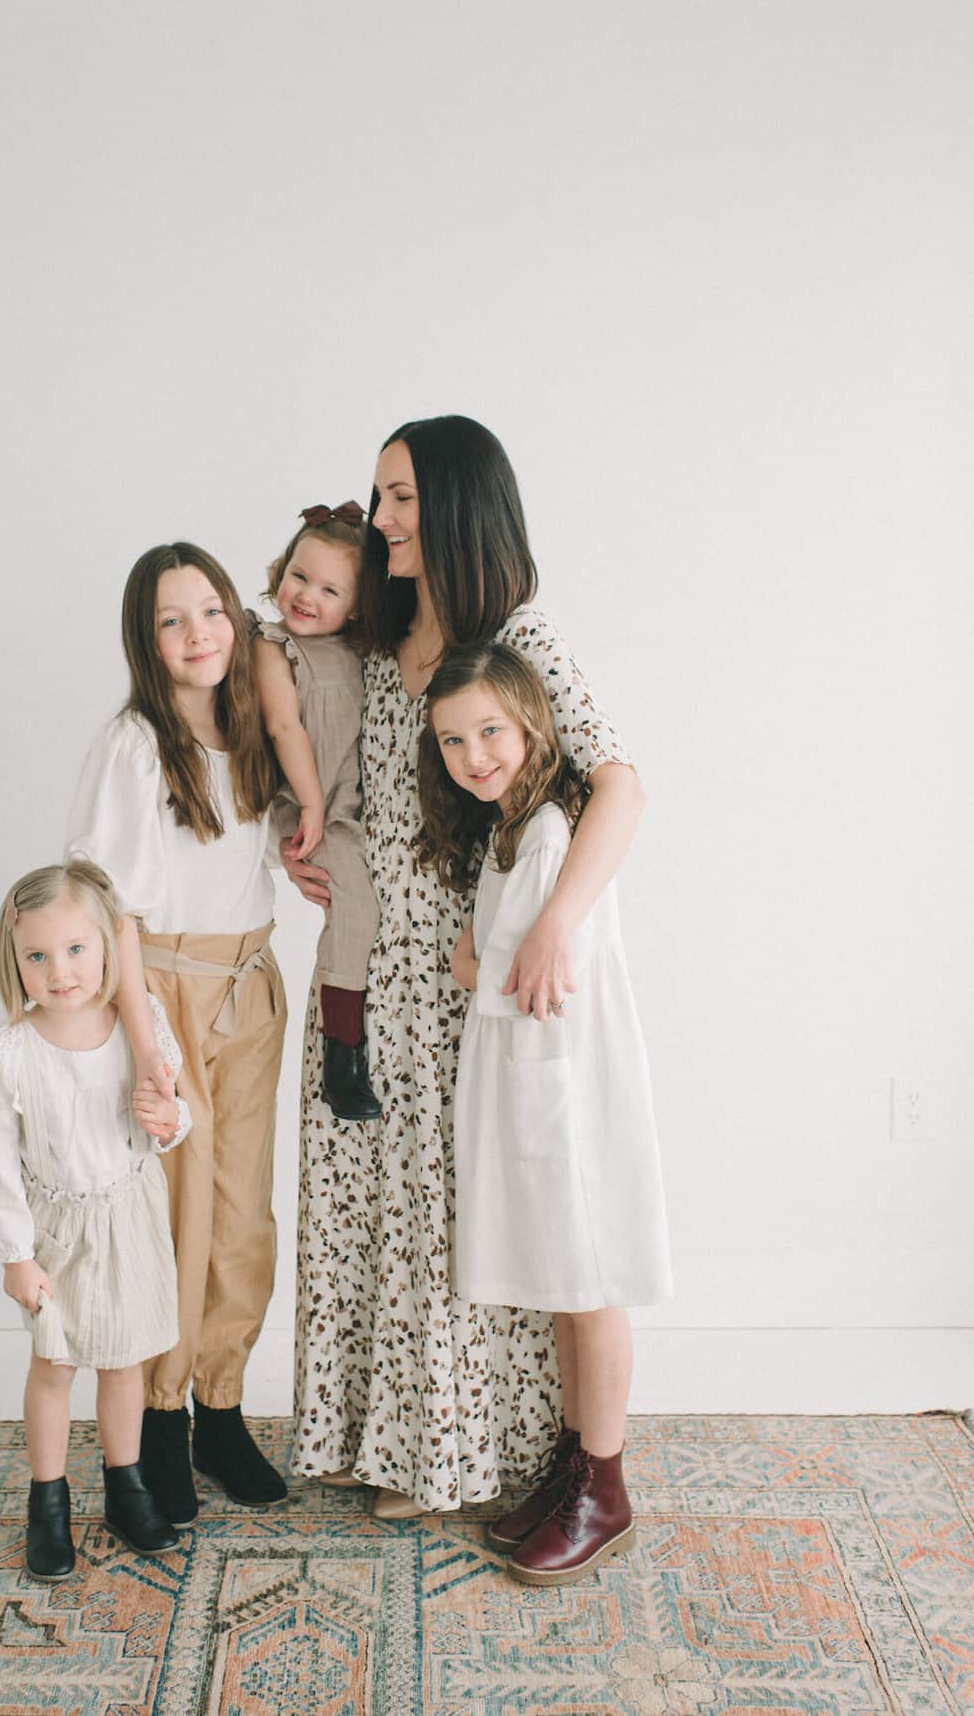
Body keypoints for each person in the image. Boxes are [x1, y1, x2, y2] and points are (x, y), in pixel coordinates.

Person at [286, 415, 647, 1520]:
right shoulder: (368, 635)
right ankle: (367, 1439)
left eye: (399, 497)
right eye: (377, 494)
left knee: (446, 1221)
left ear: (448, 504)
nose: (380, 517)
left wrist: (552, 927)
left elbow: (616, 783)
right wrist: (297, 842)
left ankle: (449, 1457)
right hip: (360, 972)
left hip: (461, 980)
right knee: (355, 1210)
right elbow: (320, 764)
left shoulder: (514, 636)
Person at [419, 643, 671, 1583]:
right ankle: (575, 1464)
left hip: (566, 1079)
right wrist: (481, 959)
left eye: (489, 730)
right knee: (567, 1283)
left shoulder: (555, 832)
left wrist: (474, 965)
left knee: (591, 1279)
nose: (474, 753)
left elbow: (520, 974)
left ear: (532, 724)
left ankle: (603, 1485)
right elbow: (494, 952)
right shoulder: (507, 832)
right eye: (452, 739)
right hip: (533, 1077)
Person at [65, 543, 288, 1527]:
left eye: (211, 609)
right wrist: (142, 1037)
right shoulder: (134, 743)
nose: (198, 632)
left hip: (249, 985)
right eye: (171, 618)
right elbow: (109, 903)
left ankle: (221, 1407)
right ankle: (157, 1421)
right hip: (163, 992)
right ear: (144, 639)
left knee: (242, 1212)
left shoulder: (252, 729)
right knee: (175, 1213)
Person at [0, 858, 188, 1578]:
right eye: (36, 955)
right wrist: (15, 1254)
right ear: (15, 960)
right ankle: (48, 1501)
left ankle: (125, 1487)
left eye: (74, 950)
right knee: (55, 1364)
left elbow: (172, 1108)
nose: (58, 971)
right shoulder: (12, 1052)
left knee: (124, 1359)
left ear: (105, 947)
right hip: (55, 1232)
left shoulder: (139, 1024)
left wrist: (170, 1117)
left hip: (126, 1214)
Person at [253, 501, 380, 1120]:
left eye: (330, 589)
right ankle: (341, 1056)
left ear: (355, 606)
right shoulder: (271, 645)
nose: (306, 595)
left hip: (348, 805)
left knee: (365, 909)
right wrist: (307, 803)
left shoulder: (358, 650)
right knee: (355, 909)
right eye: (300, 575)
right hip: (310, 807)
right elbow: (282, 725)